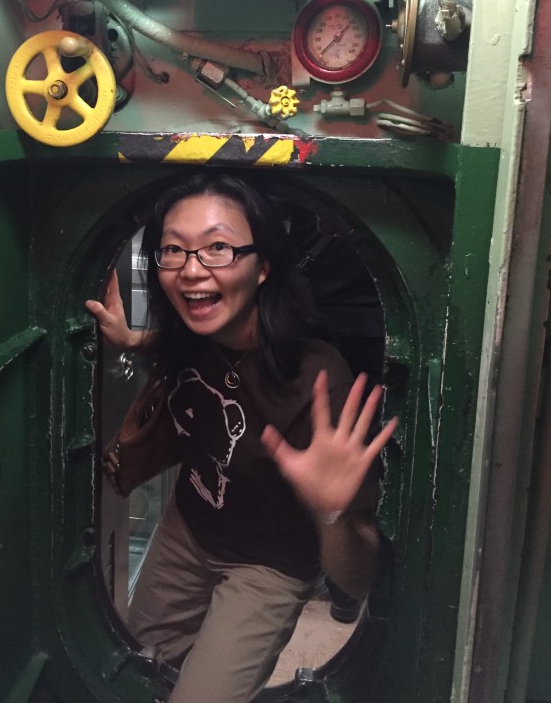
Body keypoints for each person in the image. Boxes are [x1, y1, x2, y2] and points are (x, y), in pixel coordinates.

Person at [86, 171, 397, 703]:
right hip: (188, 529)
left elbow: (357, 577)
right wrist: (137, 342)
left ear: (263, 266)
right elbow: (187, 352)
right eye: (173, 250)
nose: (191, 270)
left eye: (219, 248)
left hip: (267, 566)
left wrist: (332, 512)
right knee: (136, 666)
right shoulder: (190, 331)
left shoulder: (318, 384)